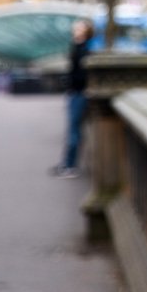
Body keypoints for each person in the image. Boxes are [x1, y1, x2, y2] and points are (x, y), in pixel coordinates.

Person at [50, 19, 93, 178]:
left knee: (74, 129)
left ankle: (70, 166)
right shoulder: (77, 46)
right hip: (75, 92)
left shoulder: (85, 48)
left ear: (86, 31)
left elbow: (82, 73)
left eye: (79, 26)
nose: (75, 28)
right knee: (72, 129)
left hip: (79, 93)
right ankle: (67, 163)